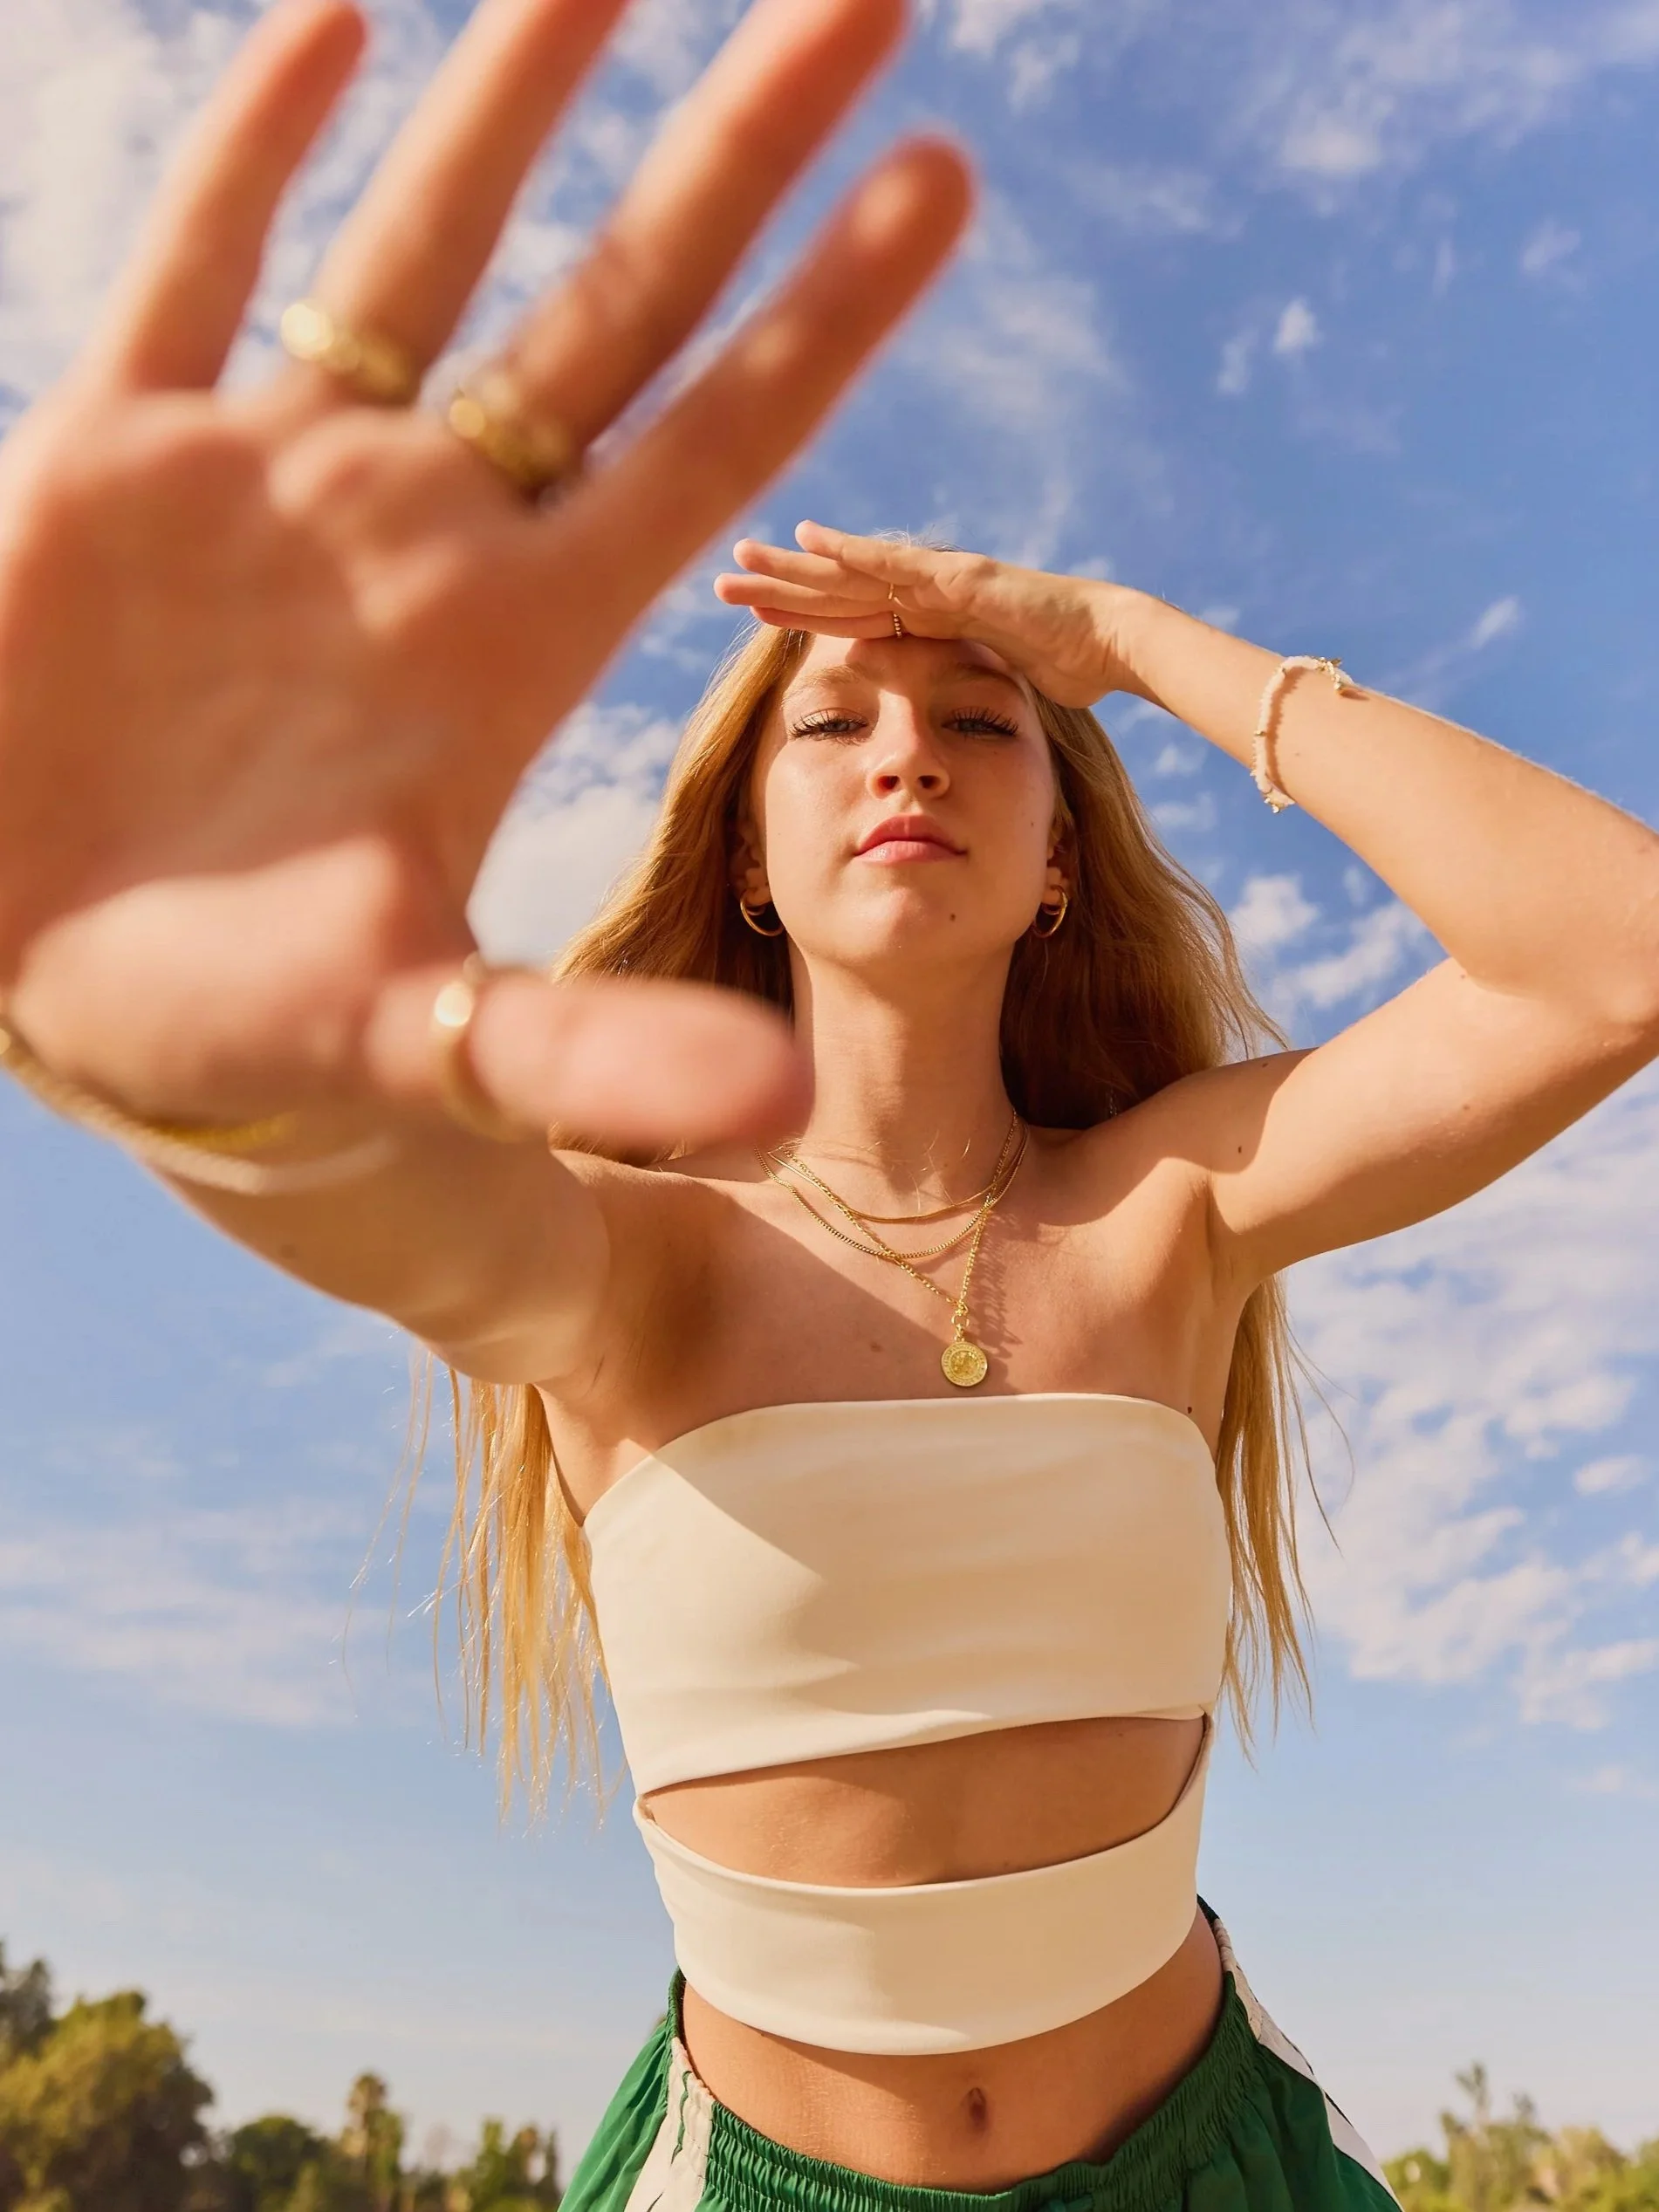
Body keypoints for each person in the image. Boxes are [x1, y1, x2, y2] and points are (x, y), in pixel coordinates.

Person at [2, 0, 1656, 2208]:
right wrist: (208, 1079)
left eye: (978, 722)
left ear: (1057, 850)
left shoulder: (1166, 1207)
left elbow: (1608, 956)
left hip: (1213, 2165)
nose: (906, 752)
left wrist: (1117, 633)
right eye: (834, 724)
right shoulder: (628, 1252)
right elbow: (403, 1206)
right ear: (751, 861)